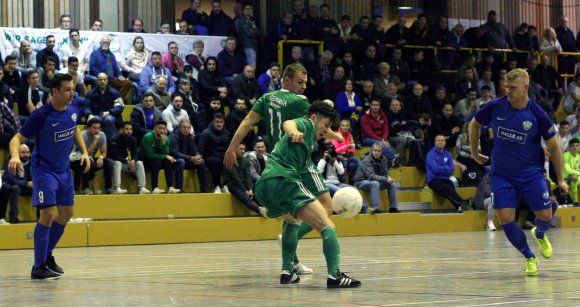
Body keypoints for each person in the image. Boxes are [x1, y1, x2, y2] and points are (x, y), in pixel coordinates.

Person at [224, 63, 343, 275]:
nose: (304, 86)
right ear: (286, 80)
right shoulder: (300, 101)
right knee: (326, 207)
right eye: (300, 82)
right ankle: (298, 246)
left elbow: (246, 122)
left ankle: (291, 263)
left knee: (292, 213)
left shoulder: (266, 99)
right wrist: (336, 136)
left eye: (306, 82)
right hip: (299, 160)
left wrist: (232, 148)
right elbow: (316, 126)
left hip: (277, 158)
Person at [469, 68, 568, 276]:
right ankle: (529, 257)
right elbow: (474, 124)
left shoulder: (537, 114)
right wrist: (475, 152)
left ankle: (539, 233)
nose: (508, 91)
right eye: (506, 87)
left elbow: (555, 147)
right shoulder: (496, 106)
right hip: (502, 173)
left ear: (525, 87)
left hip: (530, 172)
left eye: (512, 88)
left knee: (546, 213)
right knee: (505, 218)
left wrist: (560, 179)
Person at [255, 101, 361, 288]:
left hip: (263, 187)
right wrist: (293, 131)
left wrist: (335, 135)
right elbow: (289, 123)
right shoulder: (305, 125)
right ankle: (335, 276)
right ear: (313, 118)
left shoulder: (315, 130)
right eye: (326, 124)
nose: (326, 130)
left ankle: (287, 271)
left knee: (293, 220)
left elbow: (328, 133)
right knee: (327, 224)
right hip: (285, 180)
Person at [8, 73, 90, 279]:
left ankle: (47, 256)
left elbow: (74, 128)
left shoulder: (74, 108)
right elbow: (16, 138)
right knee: (48, 214)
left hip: (64, 170)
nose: (72, 93)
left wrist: (85, 151)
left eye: (73, 89)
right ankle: (38, 266)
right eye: (68, 90)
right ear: (55, 91)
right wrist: (15, 156)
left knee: (67, 213)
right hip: (44, 170)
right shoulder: (41, 115)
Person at [353, 142, 401, 214]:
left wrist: (388, 177)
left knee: (391, 184)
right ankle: (375, 208)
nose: (377, 152)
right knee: (375, 183)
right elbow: (371, 176)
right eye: (375, 150)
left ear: (381, 152)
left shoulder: (383, 159)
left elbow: (385, 172)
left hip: (373, 181)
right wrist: (385, 179)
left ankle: (393, 207)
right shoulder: (366, 160)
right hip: (361, 181)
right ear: (371, 151)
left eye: (379, 151)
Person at [138, 120, 183, 194]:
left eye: (164, 128)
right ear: (155, 128)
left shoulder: (166, 138)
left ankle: (170, 187)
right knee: (157, 160)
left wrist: (164, 144)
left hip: (158, 160)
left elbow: (165, 153)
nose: (162, 130)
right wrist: (165, 156)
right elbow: (150, 155)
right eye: (160, 128)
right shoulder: (148, 137)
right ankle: (154, 187)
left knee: (167, 161)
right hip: (145, 161)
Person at [72, 117, 113, 195]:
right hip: (77, 159)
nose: (97, 130)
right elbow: (85, 153)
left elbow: (104, 153)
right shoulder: (83, 135)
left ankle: (108, 188)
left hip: (90, 158)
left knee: (109, 162)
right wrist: (95, 141)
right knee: (86, 161)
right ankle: (85, 188)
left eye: (98, 128)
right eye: (94, 128)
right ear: (88, 128)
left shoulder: (102, 135)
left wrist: (101, 157)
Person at [224, 143, 266, 216]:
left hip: (245, 185)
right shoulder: (229, 160)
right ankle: (260, 210)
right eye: (241, 149)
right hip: (234, 185)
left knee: (256, 195)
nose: (243, 151)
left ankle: (270, 209)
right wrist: (245, 190)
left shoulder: (246, 160)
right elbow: (236, 178)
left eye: (244, 149)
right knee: (245, 198)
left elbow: (248, 176)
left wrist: (249, 189)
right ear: (235, 149)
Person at [108, 122, 149, 194]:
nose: (129, 131)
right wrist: (127, 161)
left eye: (130, 129)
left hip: (126, 163)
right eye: (126, 129)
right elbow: (113, 155)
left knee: (139, 163)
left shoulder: (132, 139)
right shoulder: (114, 139)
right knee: (117, 163)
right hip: (114, 163)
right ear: (122, 129)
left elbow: (136, 153)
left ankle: (142, 187)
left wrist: (133, 161)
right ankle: (117, 188)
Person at [170, 119, 210, 193]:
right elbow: (175, 153)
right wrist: (190, 158)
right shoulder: (173, 137)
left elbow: (195, 150)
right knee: (181, 162)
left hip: (187, 161)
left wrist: (198, 157)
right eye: (184, 127)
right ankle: (179, 188)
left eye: (188, 127)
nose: (186, 129)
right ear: (179, 127)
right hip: (174, 161)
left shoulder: (190, 137)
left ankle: (205, 189)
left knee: (201, 163)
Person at [85, 73, 124, 139]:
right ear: (97, 81)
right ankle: (95, 144)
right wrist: (89, 114)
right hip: (96, 115)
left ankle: (112, 142)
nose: (102, 81)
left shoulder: (115, 93)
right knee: (95, 120)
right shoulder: (90, 93)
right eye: (100, 80)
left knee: (109, 119)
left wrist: (109, 112)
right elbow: (86, 106)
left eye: (104, 79)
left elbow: (120, 107)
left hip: (111, 115)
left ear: (107, 81)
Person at [198, 113, 231, 193]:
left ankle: (227, 185)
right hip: (209, 157)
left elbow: (229, 148)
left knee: (230, 160)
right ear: (212, 122)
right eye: (217, 122)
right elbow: (201, 149)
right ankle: (216, 186)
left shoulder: (227, 133)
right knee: (216, 161)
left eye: (221, 122)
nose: (219, 124)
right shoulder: (206, 133)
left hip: (222, 156)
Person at [0, 144, 32, 224]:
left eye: (27, 152)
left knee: (40, 188)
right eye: (23, 152)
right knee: (15, 188)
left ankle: (41, 217)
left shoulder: (32, 163)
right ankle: (13, 218)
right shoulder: (12, 161)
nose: (26, 155)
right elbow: (10, 178)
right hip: (14, 186)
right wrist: (26, 183)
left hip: (26, 187)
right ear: (17, 153)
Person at [563, 138, 580, 206]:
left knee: (575, 177)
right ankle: (575, 202)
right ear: (569, 147)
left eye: (576, 145)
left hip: (575, 175)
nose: (575, 147)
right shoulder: (565, 155)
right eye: (573, 146)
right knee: (574, 178)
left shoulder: (578, 156)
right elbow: (568, 170)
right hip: (565, 177)